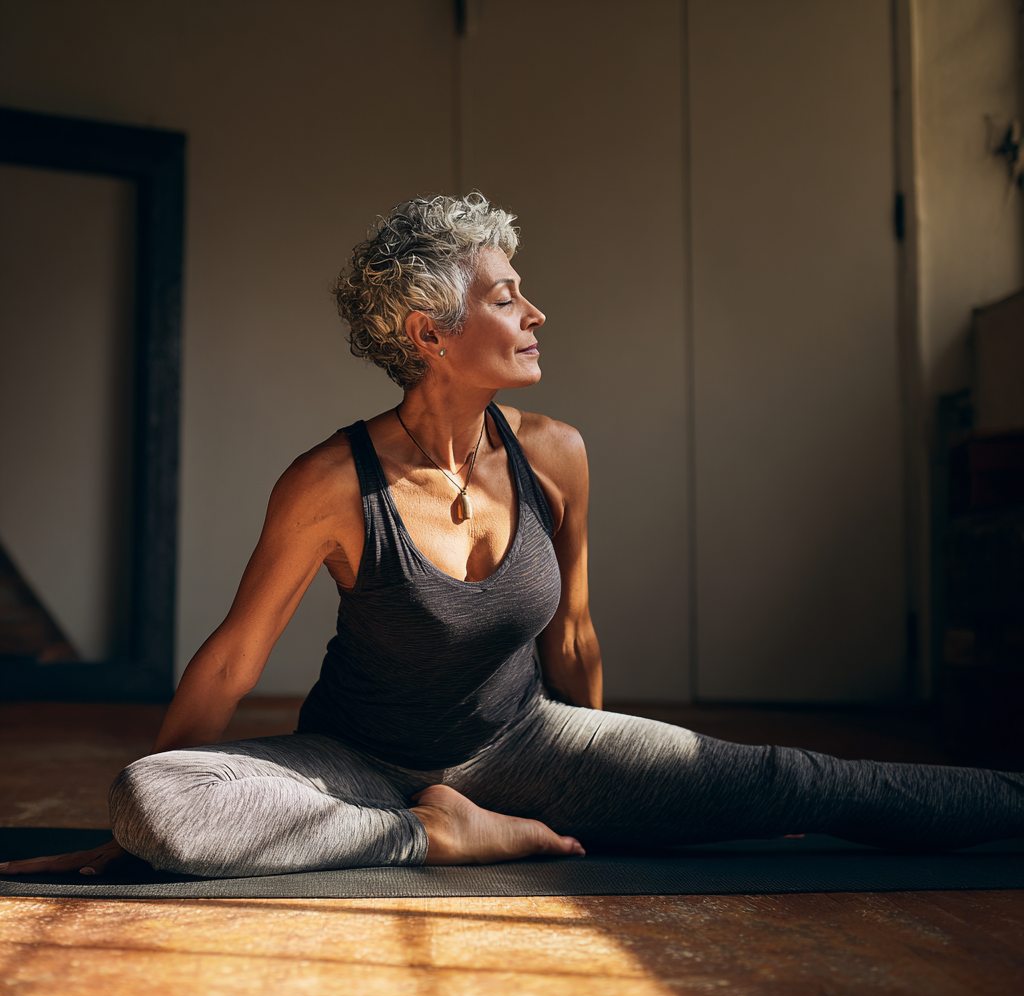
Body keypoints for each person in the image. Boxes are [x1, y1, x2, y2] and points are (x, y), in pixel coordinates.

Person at [3, 193, 1021, 879]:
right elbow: (230, 660)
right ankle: (434, 836)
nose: (535, 311)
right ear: (428, 333)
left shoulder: (555, 454)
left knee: (787, 780)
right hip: (356, 763)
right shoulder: (328, 482)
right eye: (505, 296)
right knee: (149, 798)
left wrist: (614, 775)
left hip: (528, 742)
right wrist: (134, 844)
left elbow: (571, 635)